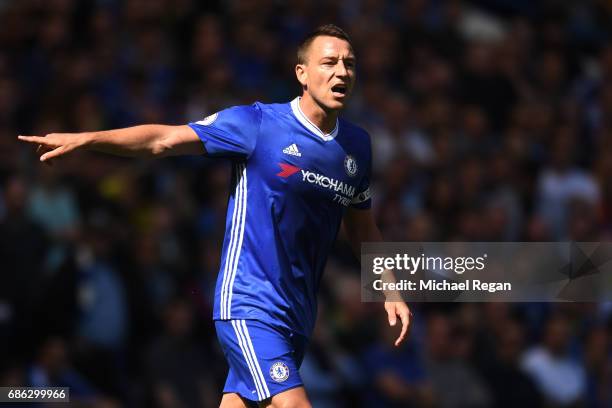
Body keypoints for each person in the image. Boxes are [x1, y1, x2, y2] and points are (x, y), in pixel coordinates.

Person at [19, 24, 411, 408]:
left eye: (350, 63)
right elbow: (163, 140)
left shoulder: (357, 147)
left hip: (299, 314)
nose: (342, 71)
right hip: (248, 303)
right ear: (302, 74)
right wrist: (87, 139)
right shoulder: (258, 124)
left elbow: (361, 226)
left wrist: (390, 288)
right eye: (329, 62)